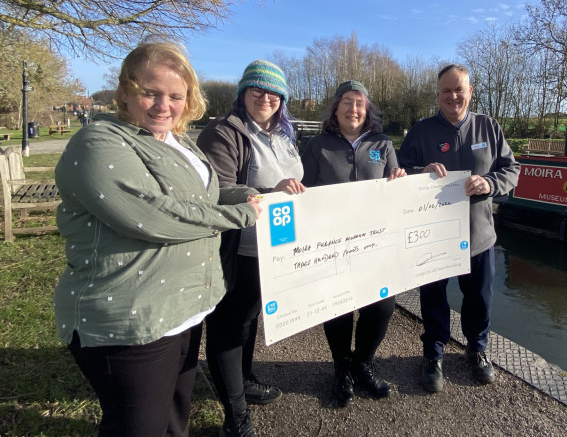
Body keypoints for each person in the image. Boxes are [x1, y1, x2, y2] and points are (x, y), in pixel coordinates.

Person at [53, 38, 263, 437]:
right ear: (125, 93)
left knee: (174, 417)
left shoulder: (180, 143)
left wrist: (256, 196)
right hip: (133, 319)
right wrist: (240, 214)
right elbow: (150, 215)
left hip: (186, 310)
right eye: (150, 93)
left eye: (175, 95)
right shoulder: (99, 141)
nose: (163, 105)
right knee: (138, 427)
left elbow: (207, 195)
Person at [197, 60, 305, 437]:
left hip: (274, 248)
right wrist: (263, 195)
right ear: (242, 93)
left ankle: (244, 380)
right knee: (228, 326)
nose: (266, 97)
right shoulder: (223, 132)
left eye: (274, 92)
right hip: (238, 248)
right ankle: (235, 412)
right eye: (257, 90)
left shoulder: (284, 135)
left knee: (250, 318)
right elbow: (215, 190)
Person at [397, 64, 520, 393]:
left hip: (478, 235)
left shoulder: (488, 128)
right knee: (433, 298)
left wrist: (489, 182)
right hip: (433, 237)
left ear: (470, 92)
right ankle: (433, 354)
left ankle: (477, 349)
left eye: (459, 89)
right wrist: (418, 172)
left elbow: (512, 169)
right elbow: (398, 174)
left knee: (478, 298)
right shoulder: (421, 132)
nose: (453, 96)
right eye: (446, 90)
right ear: (437, 95)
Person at [301, 80, 406, 406]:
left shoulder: (382, 143)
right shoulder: (318, 144)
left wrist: (399, 181)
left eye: (360, 103)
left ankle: (363, 363)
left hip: (375, 243)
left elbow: (394, 187)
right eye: (347, 102)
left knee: (382, 305)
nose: (354, 109)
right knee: (338, 307)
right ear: (336, 108)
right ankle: (341, 368)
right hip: (331, 242)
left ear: (368, 109)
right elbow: (304, 190)